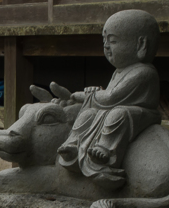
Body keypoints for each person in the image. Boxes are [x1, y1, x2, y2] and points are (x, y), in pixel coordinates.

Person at [56, 10, 163, 188]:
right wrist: (92, 97)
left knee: (118, 114)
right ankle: (74, 144)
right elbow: (108, 96)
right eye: (104, 41)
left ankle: (105, 151)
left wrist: (85, 95)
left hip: (141, 114)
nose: (106, 47)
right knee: (88, 114)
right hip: (114, 108)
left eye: (112, 41)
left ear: (141, 45)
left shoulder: (144, 72)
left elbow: (112, 97)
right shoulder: (118, 72)